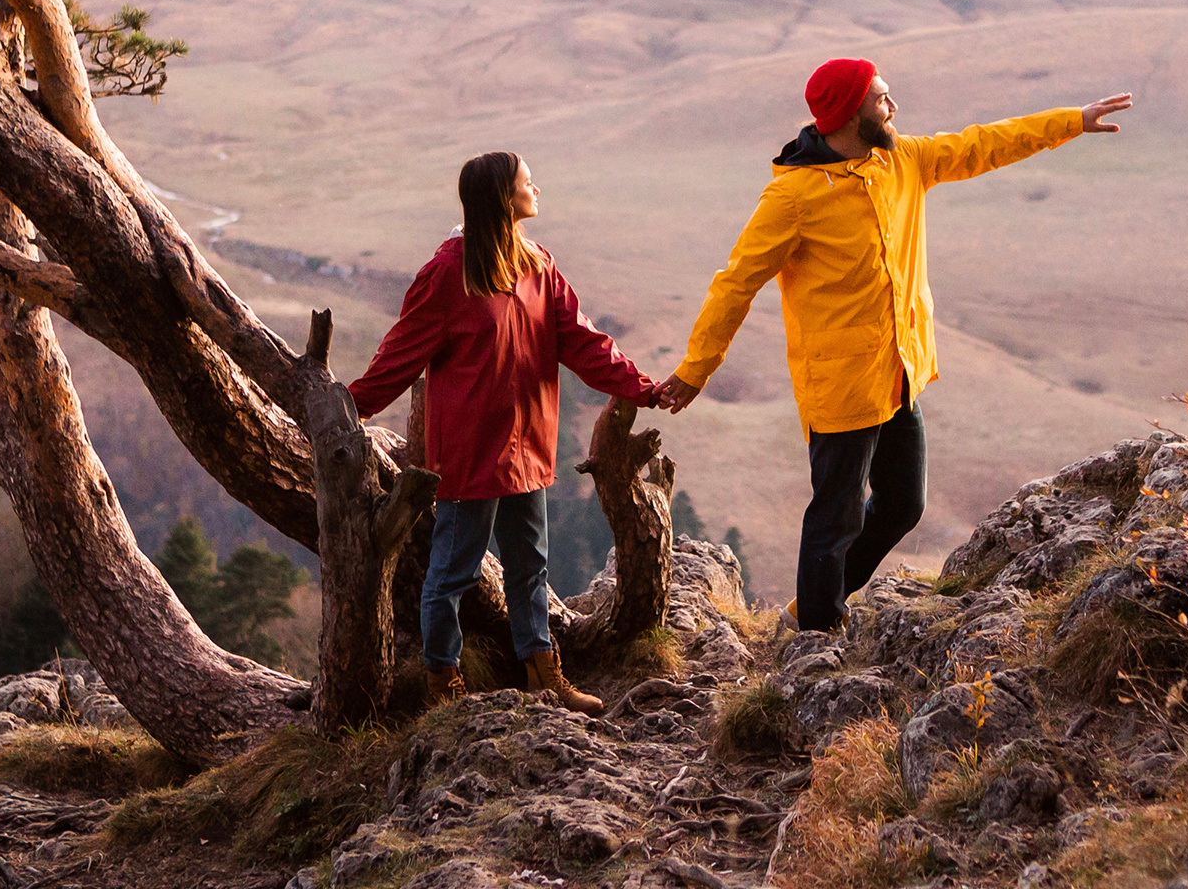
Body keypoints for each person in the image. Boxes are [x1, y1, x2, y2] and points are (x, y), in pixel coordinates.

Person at [657, 60, 1131, 633]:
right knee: (835, 518)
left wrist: (1071, 122)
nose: (894, 108)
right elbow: (735, 283)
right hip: (840, 385)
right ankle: (814, 638)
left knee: (904, 504)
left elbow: (981, 145)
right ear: (849, 114)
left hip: (897, 372)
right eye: (883, 99)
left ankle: (809, 609)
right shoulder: (794, 197)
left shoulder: (902, 160)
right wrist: (695, 369)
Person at [348, 150, 662, 713]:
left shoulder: (538, 265)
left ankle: (544, 677)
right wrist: (350, 409)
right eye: (525, 182)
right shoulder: (447, 274)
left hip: (528, 451)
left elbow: (584, 342)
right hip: (470, 455)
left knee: (530, 568)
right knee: (451, 575)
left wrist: (641, 387)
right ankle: (444, 691)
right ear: (502, 198)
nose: (536, 187)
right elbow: (400, 354)